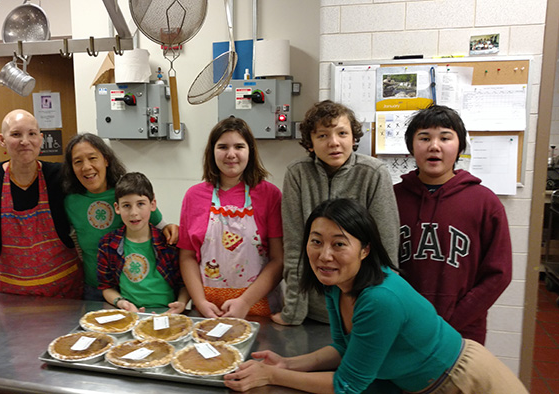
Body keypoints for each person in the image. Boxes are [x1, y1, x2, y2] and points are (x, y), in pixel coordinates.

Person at [224, 199, 528, 394]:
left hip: (466, 382)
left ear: (365, 249)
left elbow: (347, 385)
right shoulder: (337, 285)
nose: (325, 255)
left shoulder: (379, 299)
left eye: (339, 244)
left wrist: (272, 377)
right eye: (316, 241)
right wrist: (288, 364)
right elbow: (345, 350)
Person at [394, 105, 512, 345]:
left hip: (462, 332)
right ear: (411, 146)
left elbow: (498, 275)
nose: (434, 146)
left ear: (459, 147)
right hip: (399, 327)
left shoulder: (484, 202)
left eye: (445, 137)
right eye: (424, 138)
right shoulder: (390, 198)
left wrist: (453, 321)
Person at [275, 100, 400, 326]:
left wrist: (378, 311)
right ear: (310, 143)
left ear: (353, 139)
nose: (334, 142)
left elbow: (386, 251)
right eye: (322, 135)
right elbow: (294, 247)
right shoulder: (298, 174)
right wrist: (293, 311)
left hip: (361, 307)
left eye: (342, 133)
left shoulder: (373, 173)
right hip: (312, 310)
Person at [0, 109, 83, 302]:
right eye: (16, 134)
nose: (25, 141)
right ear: (2, 140)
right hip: (12, 296)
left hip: (66, 292)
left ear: (41, 139)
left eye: (32, 134)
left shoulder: (59, 176)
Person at [178, 117, 283, 318]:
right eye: (223, 147)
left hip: (257, 308)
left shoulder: (270, 195)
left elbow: (279, 260)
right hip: (209, 309)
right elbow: (187, 257)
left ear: (250, 151)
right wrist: (200, 302)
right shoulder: (194, 196)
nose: (231, 154)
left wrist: (244, 302)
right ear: (212, 151)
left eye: (239, 147)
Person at [62, 133, 178, 301]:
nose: (86, 167)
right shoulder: (71, 202)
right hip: (95, 288)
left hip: (132, 292)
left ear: (106, 160)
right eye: (78, 162)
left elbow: (163, 229)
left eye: (92, 158)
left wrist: (172, 229)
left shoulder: (127, 195)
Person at [97, 172, 189, 313]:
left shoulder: (169, 242)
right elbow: (106, 287)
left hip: (167, 313)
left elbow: (185, 283)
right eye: (126, 205)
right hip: (129, 314)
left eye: (140, 204)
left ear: (152, 205)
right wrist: (122, 303)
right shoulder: (107, 244)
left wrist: (181, 304)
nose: (134, 212)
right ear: (117, 208)